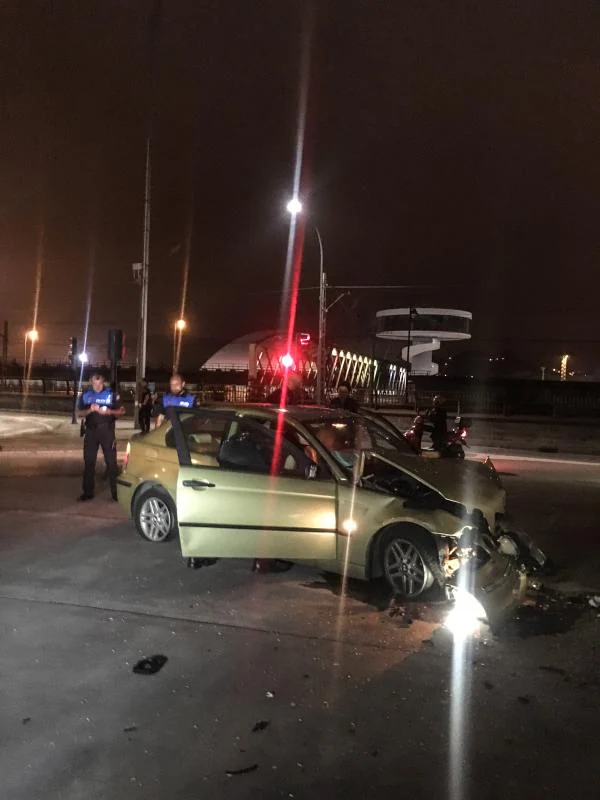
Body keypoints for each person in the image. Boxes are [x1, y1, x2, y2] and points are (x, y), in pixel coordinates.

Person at [77, 372, 125, 501]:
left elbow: (122, 411)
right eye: (94, 384)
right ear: (91, 383)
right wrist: (90, 410)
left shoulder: (111, 394)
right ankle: (88, 492)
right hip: (91, 432)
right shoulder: (86, 395)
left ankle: (116, 494)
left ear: (103, 382)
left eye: (99, 384)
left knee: (111, 462)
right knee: (89, 462)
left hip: (107, 431)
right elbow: (79, 413)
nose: (97, 387)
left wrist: (109, 411)